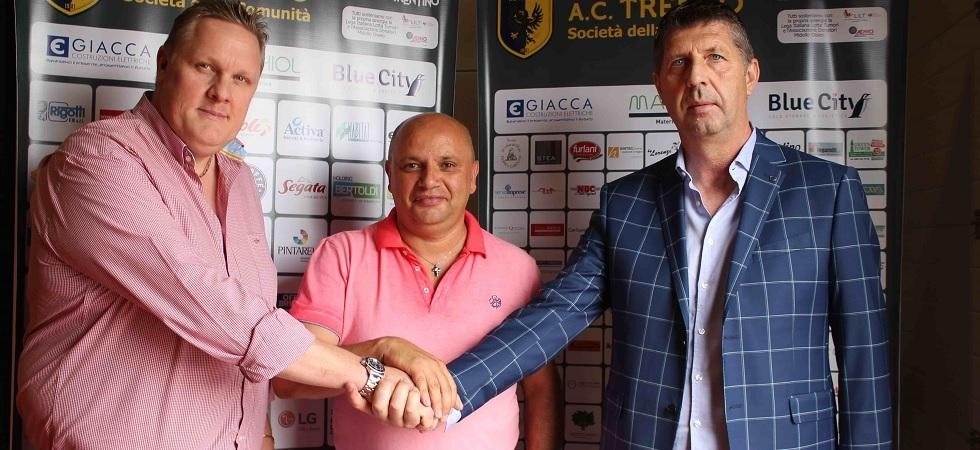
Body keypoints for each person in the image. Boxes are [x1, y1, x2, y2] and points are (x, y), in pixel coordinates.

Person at [429, 2, 892, 449]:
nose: (697, 77)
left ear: (751, 74)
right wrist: (448, 388)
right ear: (659, 84)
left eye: (715, 57)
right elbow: (556, 314)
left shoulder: (827, 192)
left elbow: (865, 355)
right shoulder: (624, 204)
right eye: (679, 63)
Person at [16, 2, 453, 448]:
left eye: (241, 79)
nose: (221, 92)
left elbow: (250, 326)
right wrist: (368, 373)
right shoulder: (97, 160)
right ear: (164, 64)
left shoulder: (239, 181)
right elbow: (210, 305)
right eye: (205, 67)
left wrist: (261, 433)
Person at [272, 112, 562, 450]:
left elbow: (540, 388)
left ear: (472, 176)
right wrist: (381, 353)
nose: (429, 180)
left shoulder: (518, 268)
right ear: (390, 176)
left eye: (447, 165)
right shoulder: (342, 255)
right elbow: (289, 378)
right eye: (412, 166)